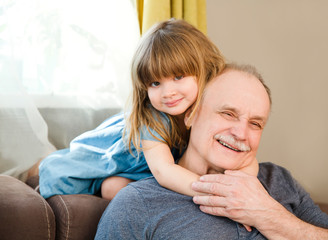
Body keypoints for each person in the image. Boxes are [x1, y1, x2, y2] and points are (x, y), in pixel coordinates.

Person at [95, 64, 328, 240]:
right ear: (191, 115)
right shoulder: (137, 203)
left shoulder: (279, 180)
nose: (241, 133)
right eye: (228, 113)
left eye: (255, 123)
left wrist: (267, 214)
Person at [38, 19, 225, 200]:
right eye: (155, 83)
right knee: (58, 172)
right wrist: (217, 192)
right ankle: (39, 165)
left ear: (204, 69)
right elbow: (164, 170)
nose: (168, 92)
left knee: (113, 187)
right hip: (112, 157)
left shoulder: (210, 108)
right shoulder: (154, 118)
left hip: (140, 170)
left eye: (178, 77)